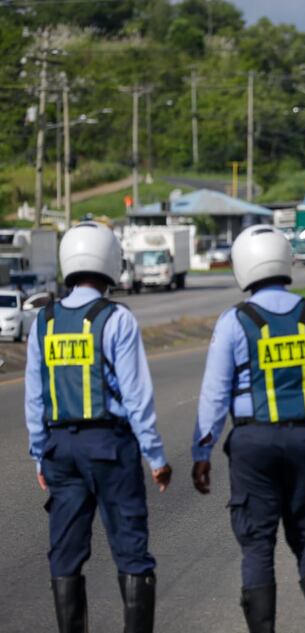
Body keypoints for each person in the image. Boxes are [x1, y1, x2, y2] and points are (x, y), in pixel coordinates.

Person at [190, 225, 305, 633]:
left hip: (252, 442)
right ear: (287, 261)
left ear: (242, 266)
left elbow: (214, 397)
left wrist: (202, 453)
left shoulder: (235, 321)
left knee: (257, 545)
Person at [23, 221, 172, 632]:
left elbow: (35, 397)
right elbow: (137, 397)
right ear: (110, 262)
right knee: (131, 551)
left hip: (60, 451)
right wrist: (156, 457)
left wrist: (39, 454)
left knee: (65, 555)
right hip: (110, 447)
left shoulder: (44, 321)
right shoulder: (116, 318)